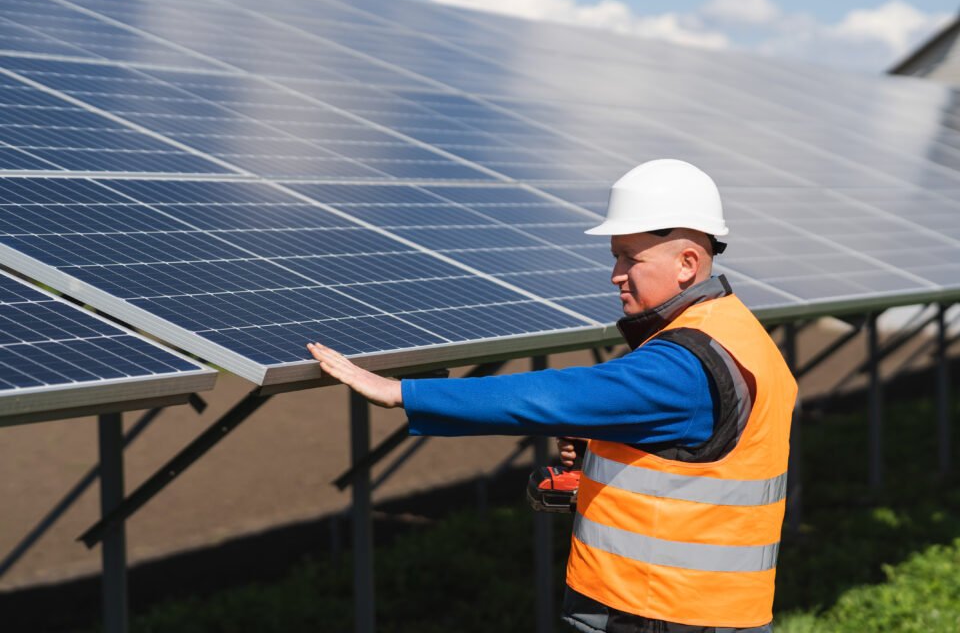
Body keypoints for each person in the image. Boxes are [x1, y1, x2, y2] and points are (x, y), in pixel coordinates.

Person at [307, 159, 797, 633]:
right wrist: (606, 450)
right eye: (615, 256)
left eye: (630, 257)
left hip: (662, 612)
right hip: (710, 609)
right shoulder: (737, 332)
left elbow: (551, 395)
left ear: (687, 263)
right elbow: (700, 456)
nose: (616, 274)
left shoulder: (682, 365)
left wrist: (403, 392)